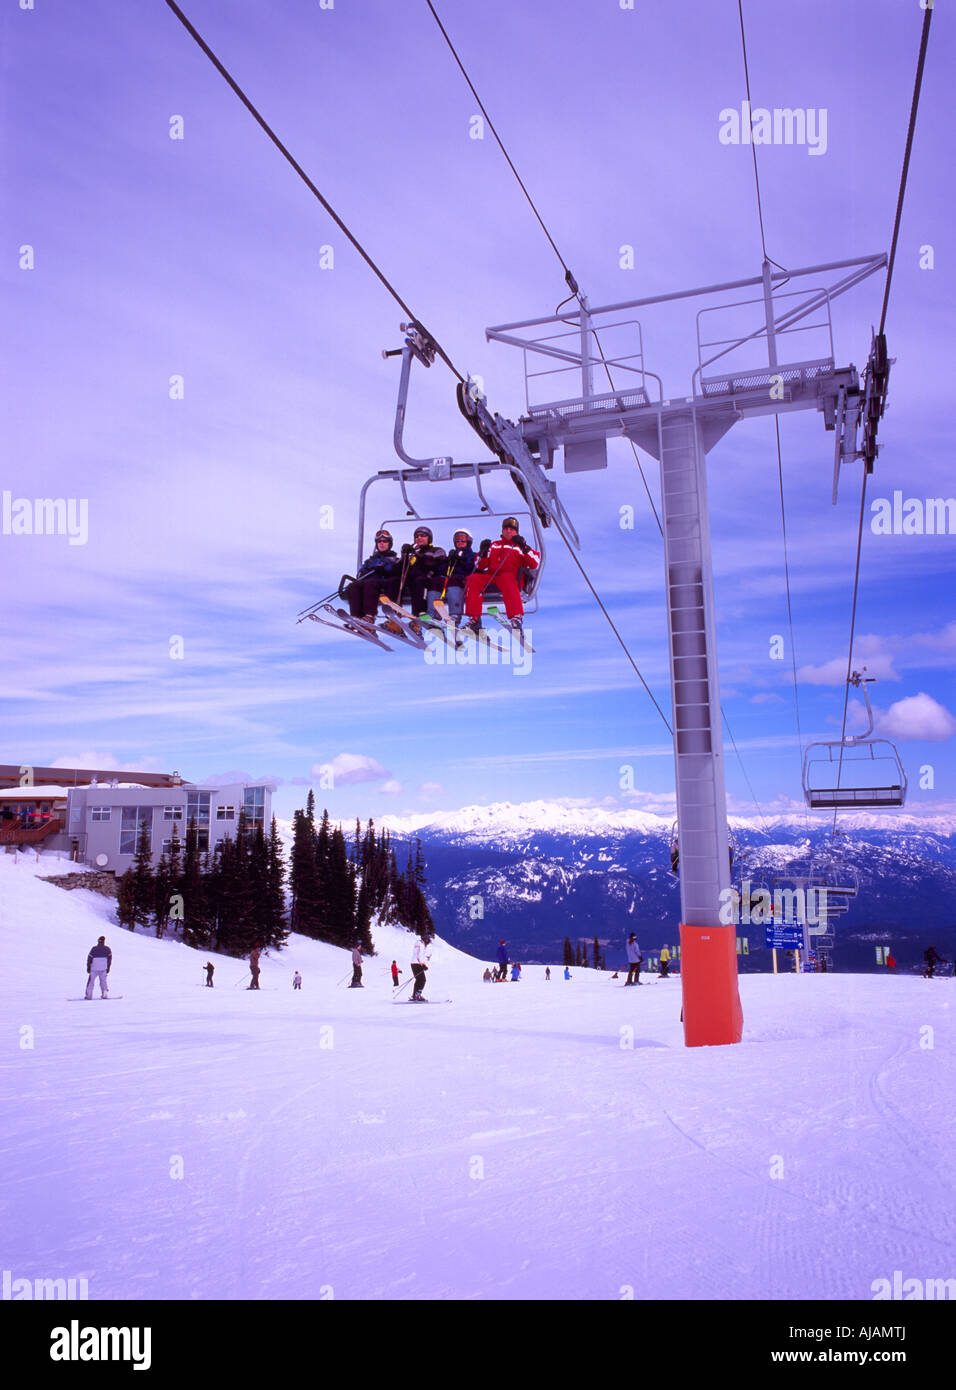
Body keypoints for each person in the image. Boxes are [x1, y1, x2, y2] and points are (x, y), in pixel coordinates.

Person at [460, 517, 539, 636]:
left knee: (506, 577)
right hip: (492, 577)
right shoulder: (494, 545)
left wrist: (524, 547)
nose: (508, 531)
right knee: (473, 578)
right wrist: (483, 553)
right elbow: (480, 566)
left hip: (511, 578)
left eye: (512, 529)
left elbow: (534, 563)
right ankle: (474, 620)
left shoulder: (520, 546)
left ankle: (516, 618)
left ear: (516, 531)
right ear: (502, 531)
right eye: (506, 529)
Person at [345, 530, 401, 623]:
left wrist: (384, 570)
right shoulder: (370, 561)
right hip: (369, 583)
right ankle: (356, 617)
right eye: (379, 542)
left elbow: (396, 572)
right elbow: (360, 573)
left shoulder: (394, 559)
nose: (382, 543)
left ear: (389, 543)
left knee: (371, 583)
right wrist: (364, 573)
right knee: (353, 586)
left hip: (384, 584)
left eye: (385, 541)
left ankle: (370, 615)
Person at [399, 527, 447, 630]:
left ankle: (423, 616)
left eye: (422, 536)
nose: (419, 538)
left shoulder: (437, 550)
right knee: (399, 581)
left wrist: (416, 554)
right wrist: (404, 555)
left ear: (429, 538)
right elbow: (400, 570)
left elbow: (430, 562)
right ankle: (395, 617)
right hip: (414, 582)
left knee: (420, 581)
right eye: (416, 536)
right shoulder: (413, 554)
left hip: (430, 580)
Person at [432, 529, 476, 622]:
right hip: (449, 580)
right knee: (436, 580)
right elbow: (442, 571)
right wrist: (445, 560)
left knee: (454, 579)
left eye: (463, 539)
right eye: (457, 539)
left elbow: (471, 568)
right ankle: (433, 613)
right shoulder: (452, 556)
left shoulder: (472, 555)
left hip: (462, 581)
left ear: (468, 541)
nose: (459, 542)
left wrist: (463, 560)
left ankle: (455, 614)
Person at [411, 936, 430, 1001]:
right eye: (427, 940)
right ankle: (417, 995)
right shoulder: (421, 945)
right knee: (422, 980)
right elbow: (419, 956)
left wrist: (424, 964)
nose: (427, 942)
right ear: (425, 940)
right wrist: (423, 965)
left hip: (413, 963)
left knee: (418, 980)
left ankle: (414, 995)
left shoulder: (418, 943)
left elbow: (418, 955)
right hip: (417, 964)